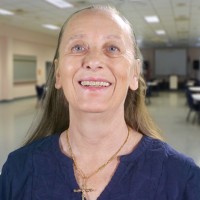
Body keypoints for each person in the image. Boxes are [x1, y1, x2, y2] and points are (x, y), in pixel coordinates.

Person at [0, 5, 200, 200]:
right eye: (78, 47)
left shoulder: (183, 180)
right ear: (58, 73)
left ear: (134, 74)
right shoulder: (17, 172)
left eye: (112, 48)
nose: (93, 60)